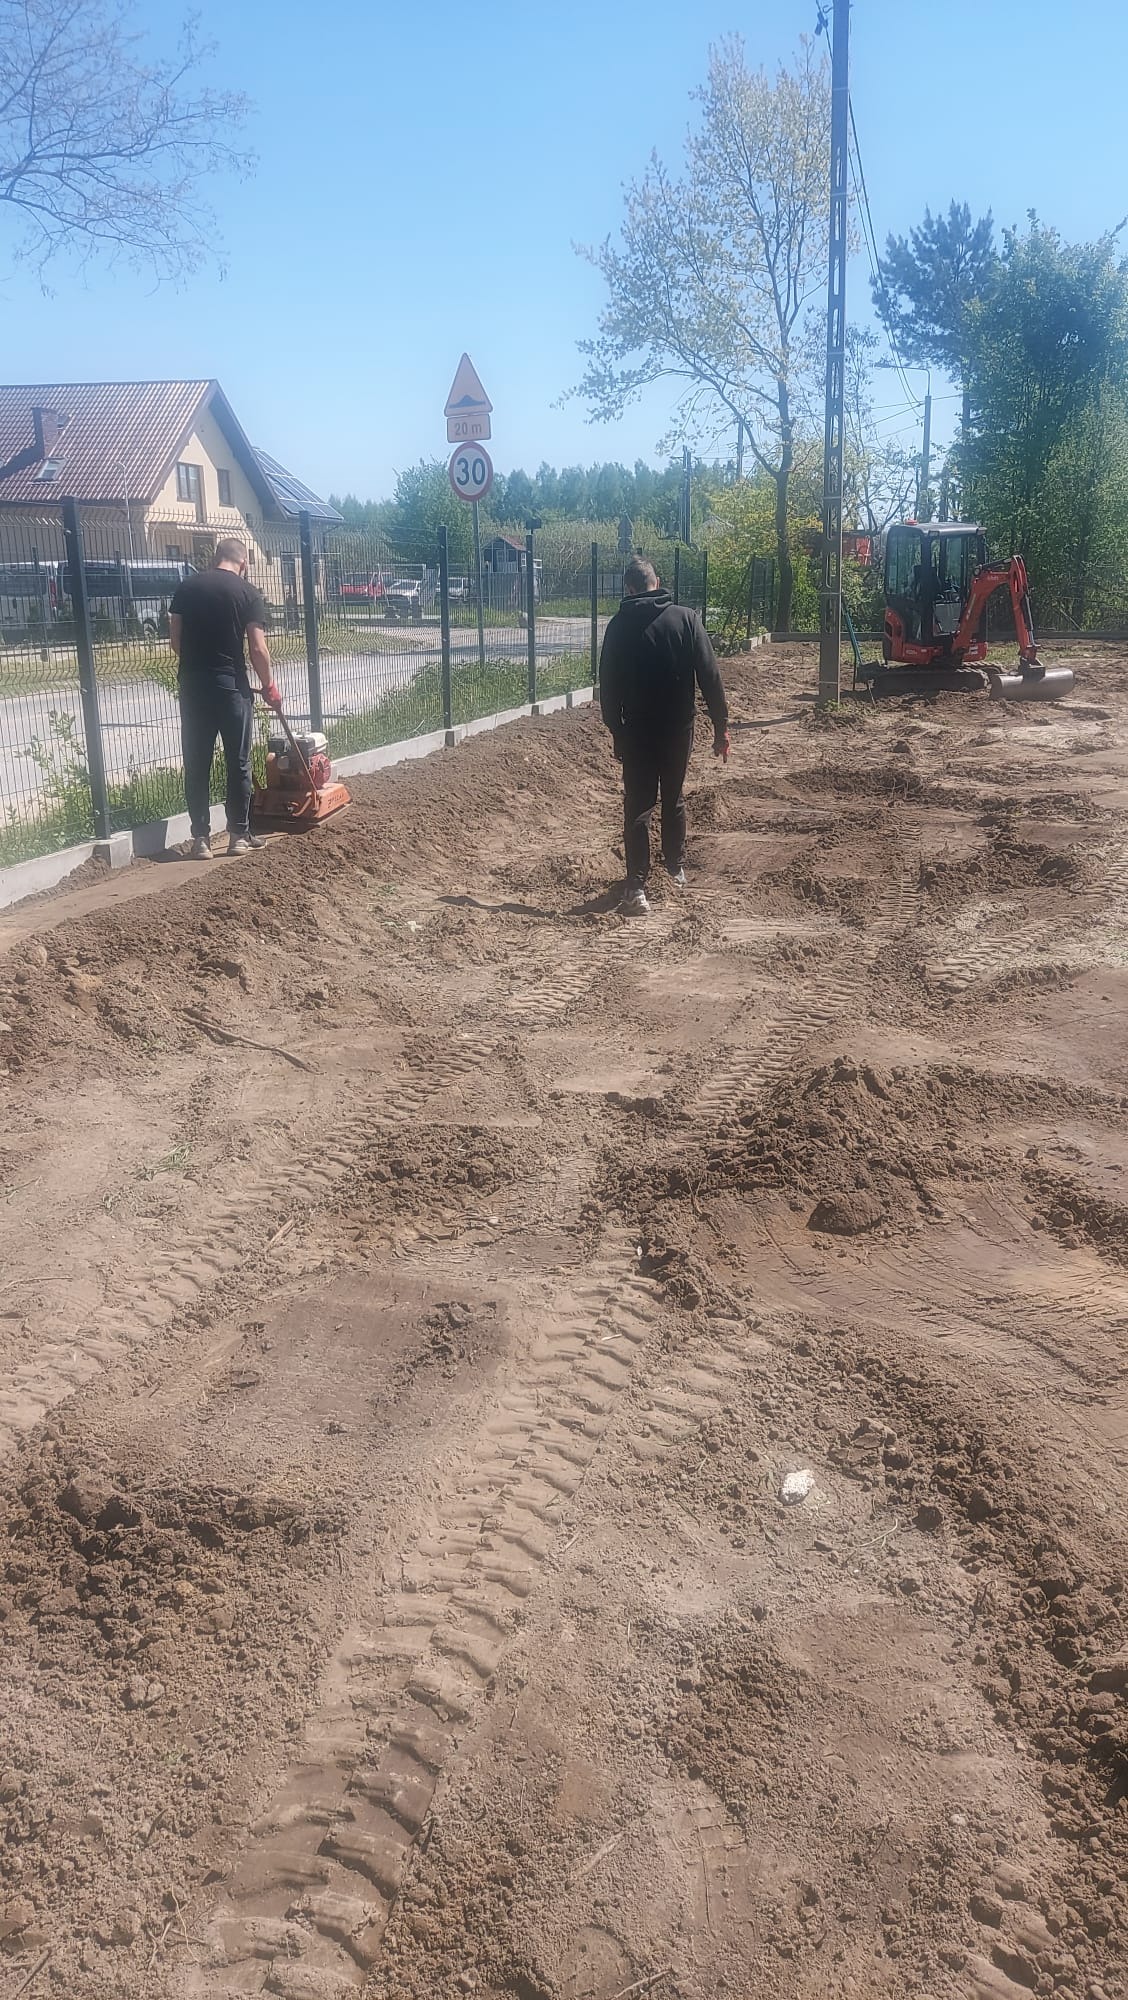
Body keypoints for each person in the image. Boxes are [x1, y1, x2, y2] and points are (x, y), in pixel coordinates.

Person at [599, 554, 730, 915]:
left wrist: (617, 732)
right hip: (678, 728)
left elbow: (607, 687)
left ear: (629, 588)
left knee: (638, 806)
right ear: (656, 583)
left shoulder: (618, 626)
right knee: (673, 798)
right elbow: (710, 676)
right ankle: (675, 869)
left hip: (637, 730)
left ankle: (636, 888)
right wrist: (721, 726)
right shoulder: (686, 619)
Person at [169, 539, 282, 859]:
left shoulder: (186, 588)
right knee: (238, 762)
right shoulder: (246, 593)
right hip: (231, 687)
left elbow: (175, 640)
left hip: (193, 687)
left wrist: (196, 667)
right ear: (243, 563)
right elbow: (258, 649)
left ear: (215, 557)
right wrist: (269, 685)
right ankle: (238, 836)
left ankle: (201, 840)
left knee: (197, 763)